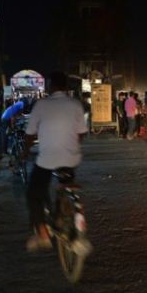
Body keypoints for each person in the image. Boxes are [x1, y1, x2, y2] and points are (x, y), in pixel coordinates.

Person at [22, 71, 88, 252]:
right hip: (71, 158)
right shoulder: (75, 104)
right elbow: (82, 132)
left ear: (50, 87)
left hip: (47, 160)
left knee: (34, 194)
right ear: (66, 87)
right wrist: (73, 145)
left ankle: (42, 235)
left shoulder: (41, 104)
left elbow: (30, 135)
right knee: (66, 181)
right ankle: (68, 213)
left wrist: (25, 152)